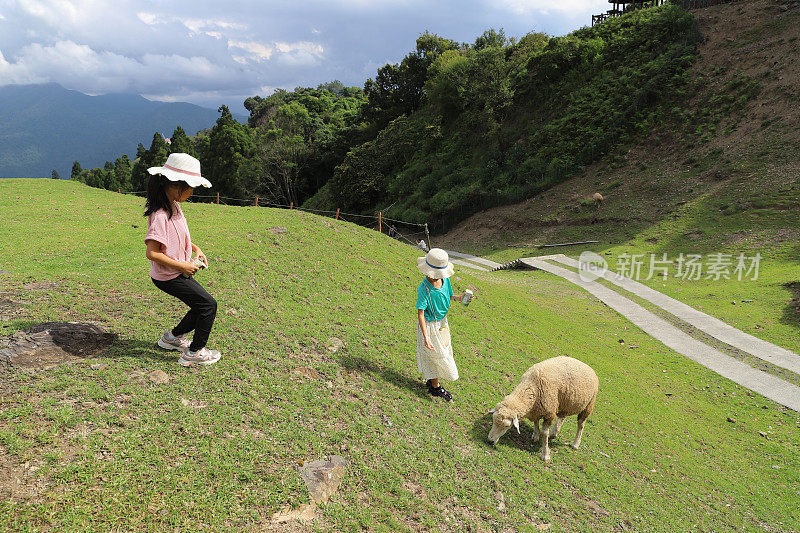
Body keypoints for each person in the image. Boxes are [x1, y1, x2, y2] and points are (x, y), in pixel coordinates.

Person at [144, 153, 221, 366]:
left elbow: (180, 237)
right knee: (208, 305)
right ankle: (194, 352)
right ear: (177, 185)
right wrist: (183, 265)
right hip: (169, 275)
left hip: (177, 271)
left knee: (201, 305)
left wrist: (196, 250)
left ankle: (171, 339)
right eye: (191, 187)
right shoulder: (160, 214)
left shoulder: (175, 207)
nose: (193, 192)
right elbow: (152, 253)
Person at [415, 248, 469, 401]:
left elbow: (450, 295)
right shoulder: (424, 288)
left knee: (442, 351)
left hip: (443, 324)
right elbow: (420, 313)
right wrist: (426, 337)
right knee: (438, 356)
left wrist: (461, 298)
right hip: (429, 325)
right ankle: (435, 387)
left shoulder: (446, 281)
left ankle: (432, 381)